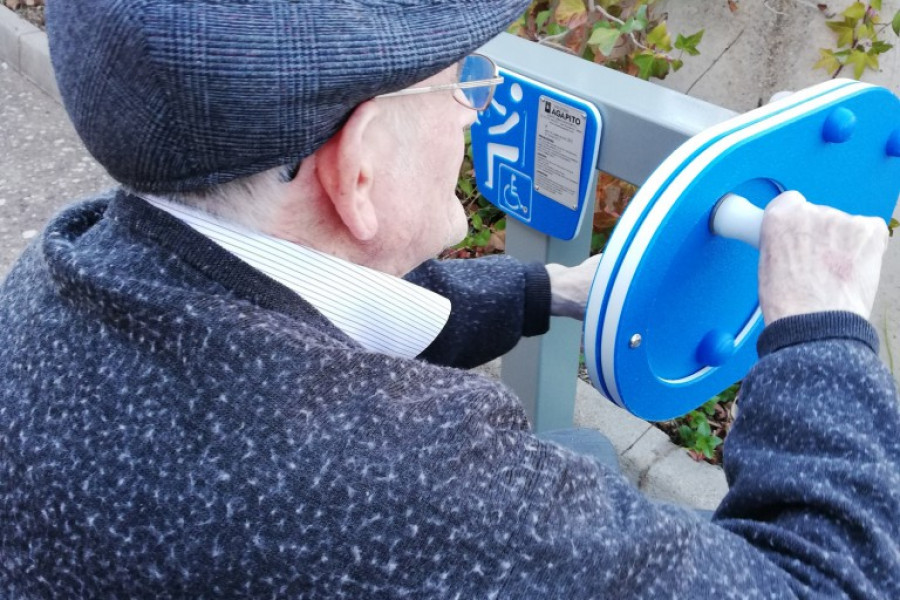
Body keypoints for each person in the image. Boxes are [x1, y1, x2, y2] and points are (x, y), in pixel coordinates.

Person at [0, 0, 897, 597]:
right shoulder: (407, 487)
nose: (473, 112)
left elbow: (329, 314)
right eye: (459, 86)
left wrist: (556, 289)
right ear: (356, 173)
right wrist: (821, 330)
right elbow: (825, 581)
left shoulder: (66, 271)